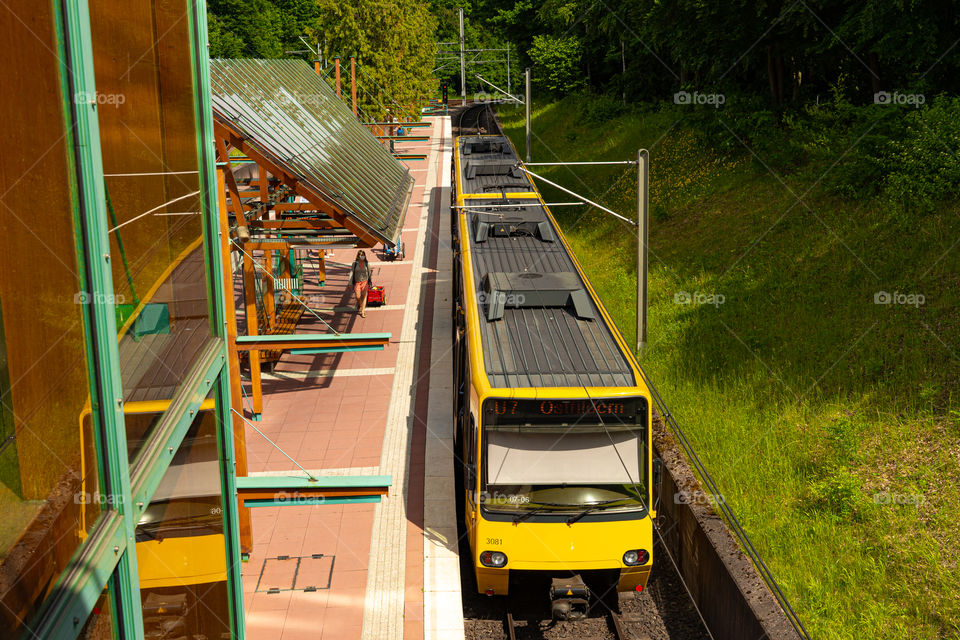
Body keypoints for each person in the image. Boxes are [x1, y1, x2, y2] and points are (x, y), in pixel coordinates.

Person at [349, 250, 371, 317]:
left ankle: (363, 311)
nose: (362, 257)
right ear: (358, 256)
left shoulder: (367, 264)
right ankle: (360, 304)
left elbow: (369, 274)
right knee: (358, 296)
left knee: (364, 296)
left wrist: (370, 282)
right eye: (361, 255)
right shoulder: (355, 263)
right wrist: (350, 283)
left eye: (363, 255)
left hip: (365, 282)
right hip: (357, 282)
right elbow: (351, 272)